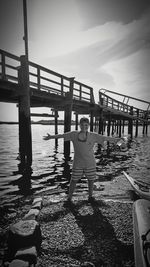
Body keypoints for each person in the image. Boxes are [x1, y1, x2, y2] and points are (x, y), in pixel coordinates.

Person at [43, 117, 125, 204]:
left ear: (88, 126)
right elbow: (62, 135)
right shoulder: (74, 134)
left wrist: (117, 140)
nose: (84, 127)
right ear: (79, 125)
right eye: (82, 125)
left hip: (90, 163)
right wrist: (51, 137)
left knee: (91, 180)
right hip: (78, 163)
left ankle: (90, 197)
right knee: (73, 180)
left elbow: (105, 138)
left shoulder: (93, 135)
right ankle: (69, 199)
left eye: (86, 125)